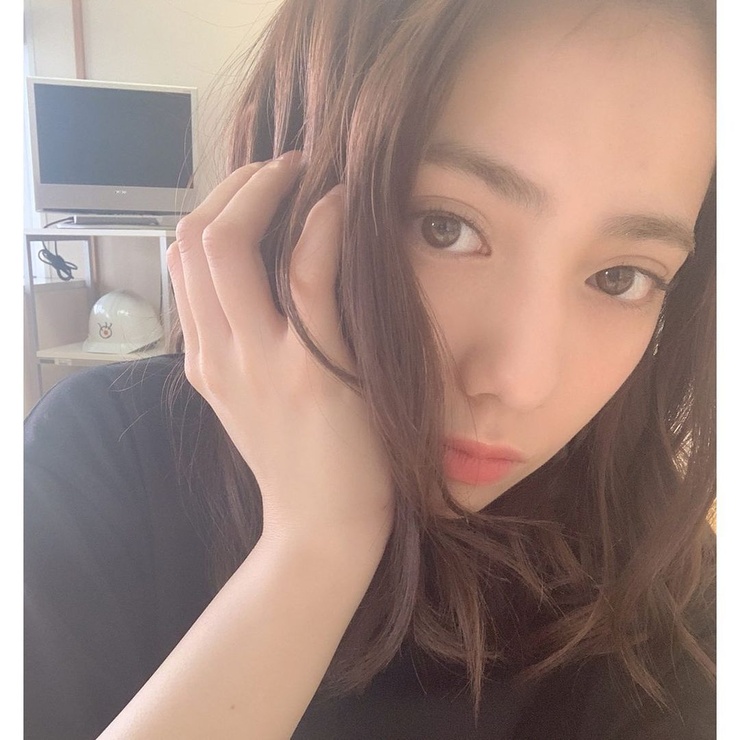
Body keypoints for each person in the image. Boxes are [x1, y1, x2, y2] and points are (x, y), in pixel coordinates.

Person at [24, 0, 717, 737]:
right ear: (281, 188)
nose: (519, 382)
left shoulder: (660, 571)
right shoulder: (104, 457)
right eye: (445, 227)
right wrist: (317, 545)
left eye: (620, 277)